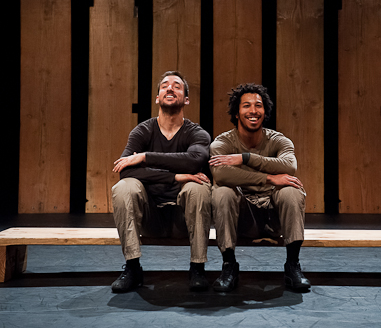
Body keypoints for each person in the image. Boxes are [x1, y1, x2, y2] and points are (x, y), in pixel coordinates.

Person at [110, 71, 212, 293]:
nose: (170, 88)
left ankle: (197, 268)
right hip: (150, 217)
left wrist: (145, 157)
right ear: (157, 98)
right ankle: (132, 267)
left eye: (177, 86)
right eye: (165, 85)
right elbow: (124, 171)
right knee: (124, 187)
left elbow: (195, 160)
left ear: (186, 99)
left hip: (184, 219)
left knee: (198, 187)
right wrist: (175, 176)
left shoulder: (197, 133)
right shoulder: (142, 131)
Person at [209, 83, 311, 292]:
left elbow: (289, 167)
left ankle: (292, 265)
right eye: (246, 105)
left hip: (274, 214)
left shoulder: (279, 140)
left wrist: (246, 158)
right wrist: (269, 178)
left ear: (265, 111)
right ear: (236, 113)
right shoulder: (222, 143)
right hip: (242, 216)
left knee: (291, 190)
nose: (253, 111)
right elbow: (221, 174)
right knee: (222, 191)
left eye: (258, 105)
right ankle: (229, 266)